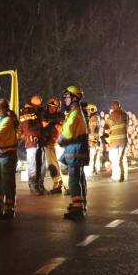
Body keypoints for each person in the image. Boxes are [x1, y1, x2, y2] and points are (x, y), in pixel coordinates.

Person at [58, 85, 89, 220]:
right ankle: (80, 204)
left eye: (67, 97)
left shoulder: (75, 113)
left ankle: (77, 208)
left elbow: (68, 133)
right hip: (79, 148)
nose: (65, 99)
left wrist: (60, 139)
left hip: (75, 148)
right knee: (80, 177)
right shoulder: (76, 112)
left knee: (74, 179)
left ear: (75, 98)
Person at [20, 94, 47, 195]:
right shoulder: (27, 112)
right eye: (38, 105)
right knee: (33, 164)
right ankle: (33, 185)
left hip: (39, 141)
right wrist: (41, 125)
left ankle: (40, 184)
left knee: (42, 164)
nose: (40, 107)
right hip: (31, 142)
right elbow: (27, 128)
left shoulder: (36, 111)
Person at [42, 96, 65, 194]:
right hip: (48, 143)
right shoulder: (45, 116)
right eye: (50, 106)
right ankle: (57, 182)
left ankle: (64, 184)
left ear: (58, 108)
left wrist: (56, 125)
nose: (52, 108)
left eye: (54, 107)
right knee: (51, 165)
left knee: (61, 165)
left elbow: (62, 128)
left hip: (57, 144)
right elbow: (43, 126)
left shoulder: (60, 116)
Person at [106, 101, 129, 182]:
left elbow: (106, 127)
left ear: (113, 107)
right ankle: (124, 175)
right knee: (122, 159)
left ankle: (116, 176)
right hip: (124, 140)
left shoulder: (112, 115)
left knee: (114, 159)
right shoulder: (125, 114)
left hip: (114, 142)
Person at [85, 103, 101, 175]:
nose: (87, 112)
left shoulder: (93, 119)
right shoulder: (95, 118)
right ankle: (95, 170)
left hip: (92, 141)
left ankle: (90, 172)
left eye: (88, 110)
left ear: (92, 110)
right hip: (95, 141)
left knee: (91, 157)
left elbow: (91, 131)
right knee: (95, 157)